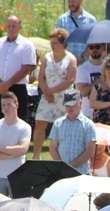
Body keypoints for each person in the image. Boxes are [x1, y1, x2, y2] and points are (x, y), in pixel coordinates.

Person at [32, 29, 77, 160]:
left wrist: (52, 91)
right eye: (51, 42)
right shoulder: (47, 58)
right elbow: (40, 77)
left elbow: (70, 80)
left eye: (55, 43)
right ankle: (36, 156)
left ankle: (62, 156)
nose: (52, 45)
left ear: (64, 44)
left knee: (64, 127)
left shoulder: (71, 59)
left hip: (64, 97)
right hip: (47, 96)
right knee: (40, 123)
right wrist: (46, 91)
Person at [0, 16, 35, 121]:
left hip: (17, 87)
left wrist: (8, 84)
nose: (11, 28)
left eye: (14, 26)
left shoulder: (27, 45)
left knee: (18, 119)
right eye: (9, 26)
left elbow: (26, 68)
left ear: (20, 27)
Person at [0, 91, 32, 197]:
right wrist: (12, 154)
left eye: (9, 105)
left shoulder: (25, 127)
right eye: (3, 105)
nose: (6, 108)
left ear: (17, 105)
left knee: (16, 207)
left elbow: (23, 149)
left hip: (16, 176)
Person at [49, 89, 97, 174]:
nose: (69, 108)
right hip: (61, 173)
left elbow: (89, 151)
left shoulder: (88, 125)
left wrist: (70, 167)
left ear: (80, 103)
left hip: (81, 173)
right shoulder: (58, 123)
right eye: (67, 105)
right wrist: (62, 166)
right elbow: (53, 147)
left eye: (73, 105)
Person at [76, 42, 107, 119]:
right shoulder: (82, 69)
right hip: (88, 113)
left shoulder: (109, 66)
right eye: (91, 47)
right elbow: (83, 92)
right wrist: (98, 81)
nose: (94, 49)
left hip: (107, 112)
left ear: (103, 47)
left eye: (97, 46)